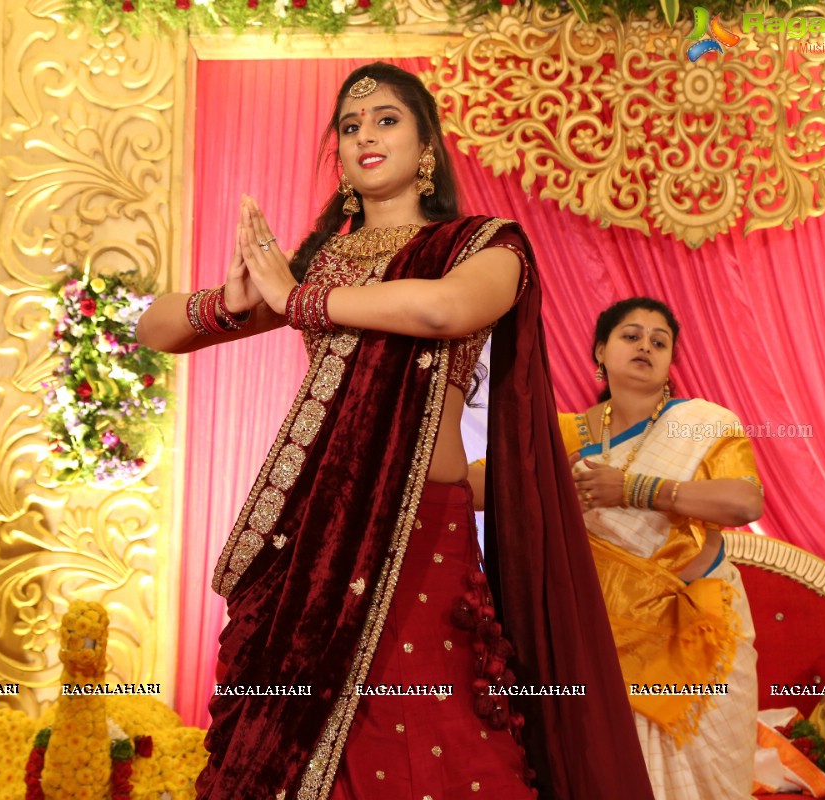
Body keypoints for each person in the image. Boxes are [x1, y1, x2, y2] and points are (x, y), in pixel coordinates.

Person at [137, 62, 654, 800]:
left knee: (433, 736)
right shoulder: (318, 266)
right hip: (313, 537)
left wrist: (302, 301)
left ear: (428, 148)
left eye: (385, 120)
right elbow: (153, 325)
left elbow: (443, 311)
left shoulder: (483, 246)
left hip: (422, 534)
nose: (363, 136)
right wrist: (234, 299)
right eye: (349, 127)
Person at [559, 296, 762, 799]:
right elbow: (483, 487)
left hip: (699, 631)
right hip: (606, 639)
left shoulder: (701, 422)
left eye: (659, 340)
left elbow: (743, 502)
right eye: (631, 336)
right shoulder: (563, 433)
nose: (645, 346)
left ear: (671, 361)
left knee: (713, 781)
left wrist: (631, 488)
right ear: (600, 351)